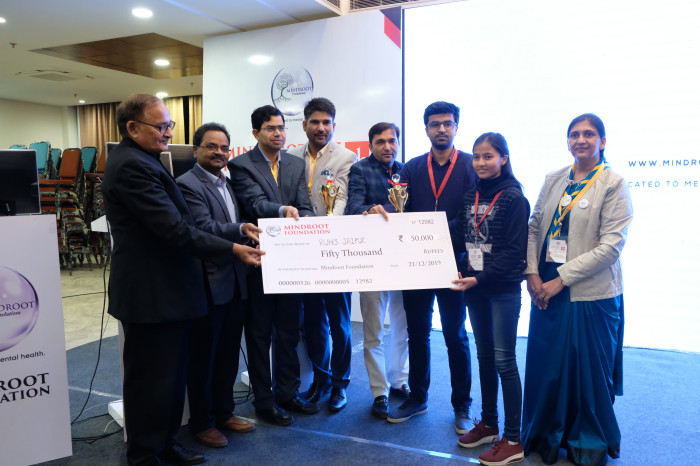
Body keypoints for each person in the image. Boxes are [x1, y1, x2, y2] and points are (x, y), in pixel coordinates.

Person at [102, 94, 263, 466]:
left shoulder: (144, 159)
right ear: (132, 128)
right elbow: (175, 231)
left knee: (170, 381)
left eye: (169, 125)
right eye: (161, 126)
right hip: (151, 296)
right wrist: (233, 248)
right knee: (151, 383)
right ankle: (145, 455)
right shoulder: (131, 165)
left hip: (168, 295)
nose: (168, 133)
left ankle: (165, 444)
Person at [521, 114, 632, 465]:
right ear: (567, 141)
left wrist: (560, 279)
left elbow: (610, 247)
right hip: (546, 289)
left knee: (589, 373)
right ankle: (544, 434)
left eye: (589, 134)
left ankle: (588, 442)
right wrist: (532, 273)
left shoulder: (613, 183)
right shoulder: (554, 179)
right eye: (574, 134)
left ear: (602, 141)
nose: (581, 140)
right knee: (548, 366)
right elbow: (534, 227)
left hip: (590, 293)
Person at [387, 101, 476, 431]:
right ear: (425, 128)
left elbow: (470, 215)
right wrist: (378, 211)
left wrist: (434, 230)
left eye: (447, 123)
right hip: (416, 264)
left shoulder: (469, 165)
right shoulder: (411, 167)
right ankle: (418, 398)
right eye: (435, 124)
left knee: (455, 334)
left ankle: (462, 405)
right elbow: (399, 208)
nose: (441, 129)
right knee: (418, 333)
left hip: (455, 263)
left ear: (456, 127)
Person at [228, 105, 317, 427]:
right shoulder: (240, 165)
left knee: (289, 332)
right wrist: (283, 210)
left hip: (291, 263)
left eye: (281, 128)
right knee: (259, 334)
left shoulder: (295, 163)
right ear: (256, 133)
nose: (278, 133)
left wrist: (307, 219)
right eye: (270, 128)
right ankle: (264, 401)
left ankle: (287, 393)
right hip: (260, 260)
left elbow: (304, 206)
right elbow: (254, 203)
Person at [176, 123, 258, 448]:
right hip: (208, 285)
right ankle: (202, 423)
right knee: (204, 360)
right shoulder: (187, 184)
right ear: (196, 149)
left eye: (224, 148)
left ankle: (225, 412)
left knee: (227, 356)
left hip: (236, 281)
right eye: (211, 146)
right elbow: (204, 228)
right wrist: (241, 229)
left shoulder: (228, 182)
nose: (219, 153)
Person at [452, 133, 530, 466]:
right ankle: (488, 424)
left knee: (504, 361)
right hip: (476, 288)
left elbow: (514, 253)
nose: (481, 162)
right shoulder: (470, 194)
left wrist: (479, 278)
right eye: (477, 157)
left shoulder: (514, 198)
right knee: (484, 357)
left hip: (502, 289)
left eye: (488, 156)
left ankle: (512, 439)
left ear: (503, 159)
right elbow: (459, 234)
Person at [287, 98, 357, 412]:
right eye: (315, 122)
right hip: (304, 254)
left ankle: (341, 384)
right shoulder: (291, 157)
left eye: (326, 122)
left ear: (333, 125)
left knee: (340, 324)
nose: (321, 128)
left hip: (333, 251)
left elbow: (340, 199)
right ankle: (321, 380)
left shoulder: (345, 157)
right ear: (304, 125)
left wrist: (324, 231)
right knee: (314, 322)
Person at [345, 122, 410, 419]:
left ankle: (399, 380)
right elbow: (352, 208)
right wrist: (369, 210)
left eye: (392, 141)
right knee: (373, 331)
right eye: (381, 141)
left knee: (402, 327)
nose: (388, 146)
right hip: (372, 260)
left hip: (403, 258)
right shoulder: (360, 169)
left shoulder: (406, 170)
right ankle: (379, 392)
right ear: (371, 144)